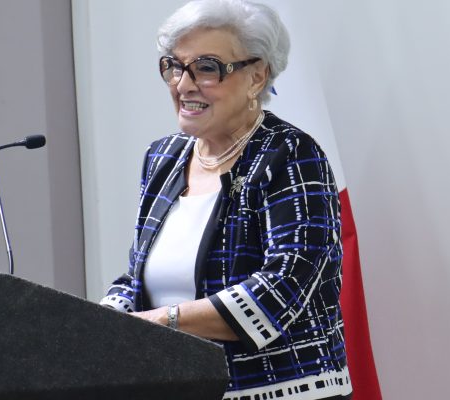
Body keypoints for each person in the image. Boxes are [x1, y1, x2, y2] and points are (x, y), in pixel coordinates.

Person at [99, 1, 352, 399]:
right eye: (174, 66)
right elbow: (137, 279)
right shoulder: (163, 157)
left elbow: (280, 290)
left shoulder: (290, 155)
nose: (183, 85)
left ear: (256, 76)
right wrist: (95, 323)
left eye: (206, 67)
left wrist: (160, 322)